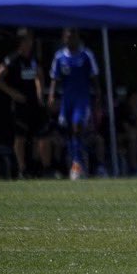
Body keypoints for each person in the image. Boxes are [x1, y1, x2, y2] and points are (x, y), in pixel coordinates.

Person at [0, 28, 51, 177]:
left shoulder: (33, 59)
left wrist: (40, 92)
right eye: (27, 40)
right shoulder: (13, 59)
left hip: (35, 105)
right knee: (20, 137)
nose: (30, 43)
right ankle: (22, 170)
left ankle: (45, 169)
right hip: (20, 105)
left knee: (43, 135)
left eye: (31, 40)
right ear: (21, 42)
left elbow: (39, 75)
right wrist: (13, 93)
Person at [47, 28, 100, 181]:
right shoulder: (59, 57)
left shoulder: (86, 55)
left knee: (77, 127)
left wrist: (98, 95)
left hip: (82, 100)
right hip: (67, 100)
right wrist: (51, 95)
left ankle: (77, 164)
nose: (71, 40)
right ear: (64, 39)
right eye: (68, 37)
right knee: (69, 132)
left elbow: (94, 76)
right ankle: (77, 162)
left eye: (74, 36)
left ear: (78, 38)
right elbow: (54, 78)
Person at [115, 85, 137, 175]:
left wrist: (136, 114)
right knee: (133, 137)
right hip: (120, 136)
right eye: (134, 98)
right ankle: (133, 167)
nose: (136, 100)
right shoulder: (123, 108)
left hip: (132, 135)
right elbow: (126, 127)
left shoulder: (135, 110)